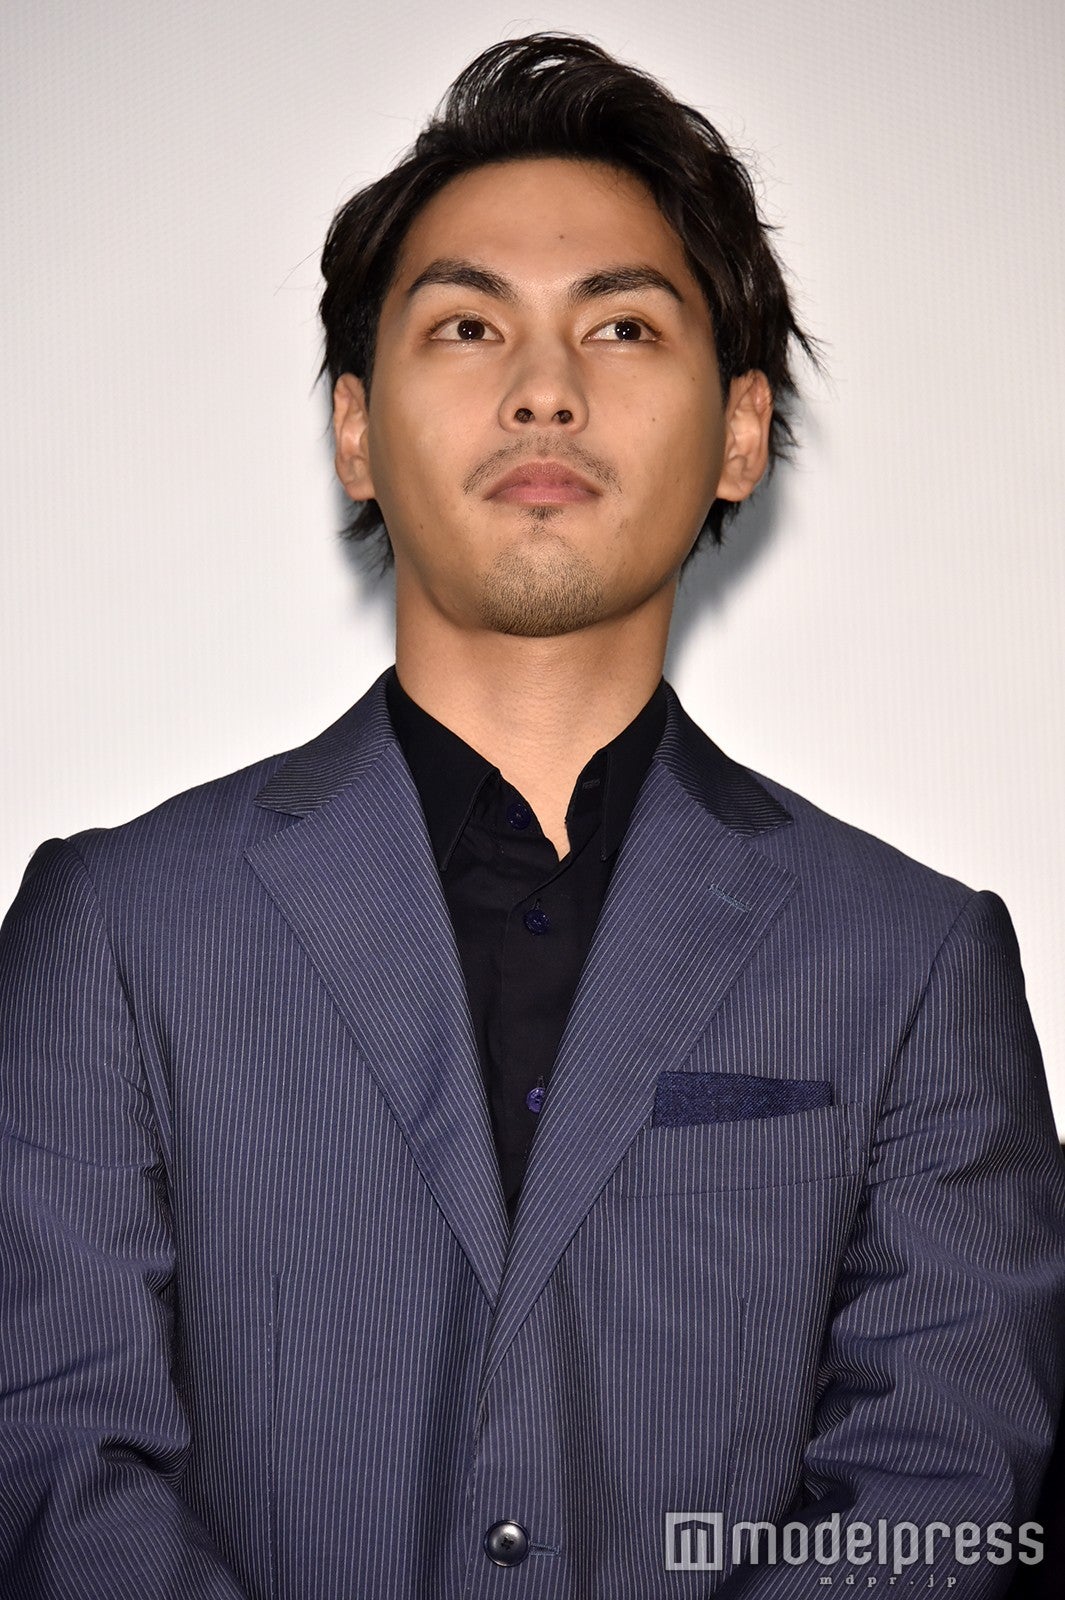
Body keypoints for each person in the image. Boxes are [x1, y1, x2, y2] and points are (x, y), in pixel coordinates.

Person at [0, 32, 1062, 1600]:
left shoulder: (912, 963)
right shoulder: (114, 932)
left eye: (621, 325)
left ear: (740, 431)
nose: (545, 391)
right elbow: (48, 1464)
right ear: (356, 428)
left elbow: (941, 1504)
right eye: (467, 325)